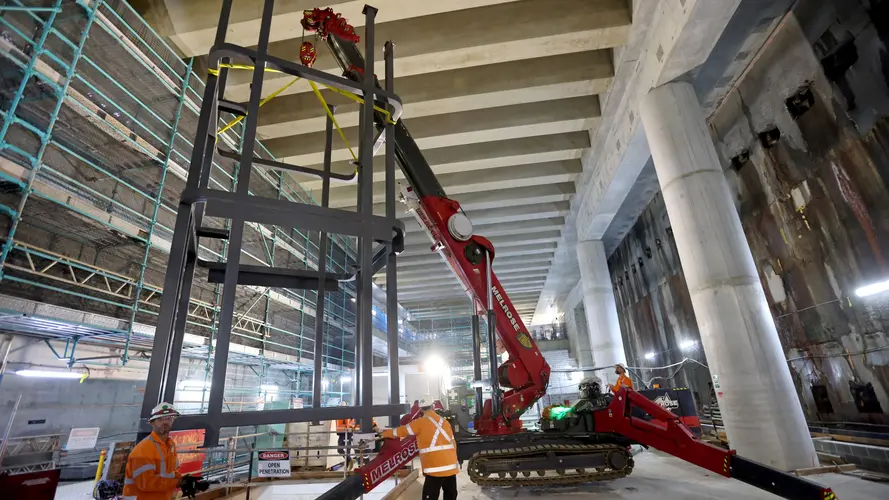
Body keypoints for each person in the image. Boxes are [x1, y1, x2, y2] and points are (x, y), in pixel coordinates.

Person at [382, 394, 458, 500]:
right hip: (450, 467)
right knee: (451, 496)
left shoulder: (419, 423)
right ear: (433, 406)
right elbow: (453, 444)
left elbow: (400, 431)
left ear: (421, 409)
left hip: (434, 469)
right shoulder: (445, 422)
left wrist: (383, 433)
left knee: (430, 497)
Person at [123, 402, 182, 500]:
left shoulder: (171, 445)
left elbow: (172, 472)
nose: (166, 422)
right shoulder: (143, 449)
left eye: (169, 418)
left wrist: (183, 480)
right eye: (160, 419)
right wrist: (177, 482)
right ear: (152, 422)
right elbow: (146, 483)